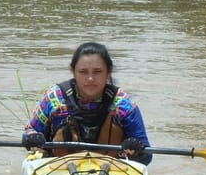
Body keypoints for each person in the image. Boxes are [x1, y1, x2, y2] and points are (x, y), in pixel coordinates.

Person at [22, 41, 153, 165]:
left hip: (111, 173)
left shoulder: (124, 105)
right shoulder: (53, 98)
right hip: (58, 171)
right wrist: (33, 137)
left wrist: (136, 147)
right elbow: (30, 130)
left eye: (97, 72)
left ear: (108, 72)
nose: (90, 79)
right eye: (83, 72)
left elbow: (147, 155)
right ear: (73, 72)